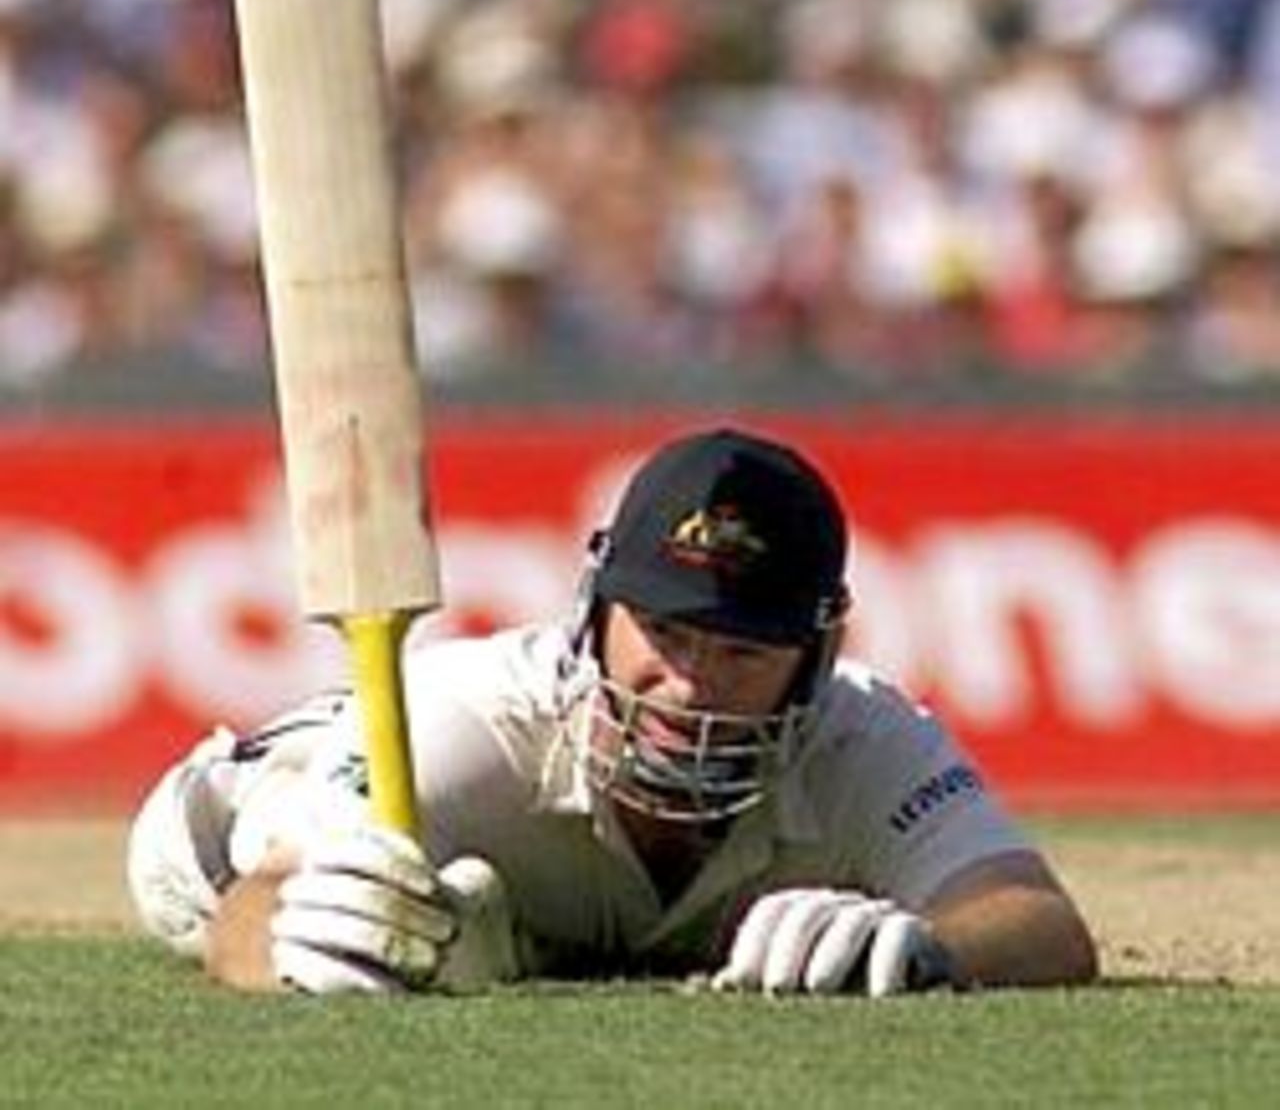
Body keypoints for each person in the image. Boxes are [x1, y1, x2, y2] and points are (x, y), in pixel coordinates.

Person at [127, 427, 1098, 996]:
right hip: (235, 816)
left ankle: (503, 931)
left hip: (527, 882)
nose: (690, 683)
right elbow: (250, 908)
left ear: (817, 654)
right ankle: (485, 923)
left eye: (742, 651)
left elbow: (1037, 918)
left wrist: (933, 949)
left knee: (461, 925)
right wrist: (290, 945)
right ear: (596, 614)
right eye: (665, 633)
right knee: (360, 895)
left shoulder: (863, 733)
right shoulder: (467, 719)